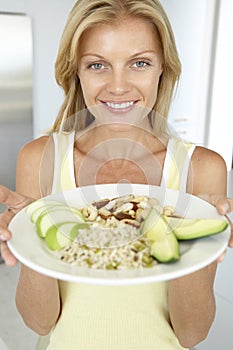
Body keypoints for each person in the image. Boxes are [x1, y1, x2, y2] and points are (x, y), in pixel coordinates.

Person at [0, 0, 233, 349]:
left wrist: (194, 240)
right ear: (75, 71)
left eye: (139, 63)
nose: (118, 86)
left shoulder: (202, 169)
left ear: (162, 68)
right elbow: (39, 321)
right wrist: (32, 234)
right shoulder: (38, 158)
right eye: (98, 65)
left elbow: (191, 334)